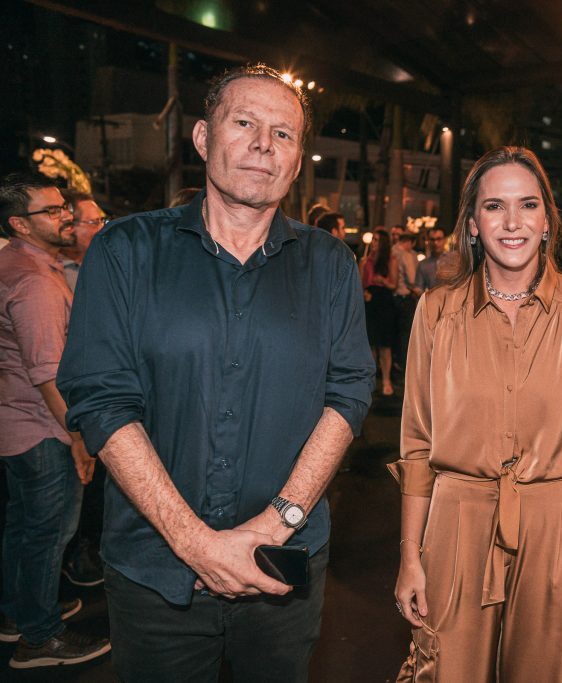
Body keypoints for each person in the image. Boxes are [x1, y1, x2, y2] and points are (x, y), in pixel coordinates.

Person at [56, 64, 376, 682]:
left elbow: (350, 390)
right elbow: (100, 398)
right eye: (245, 123)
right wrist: (196, 543)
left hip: (283, 566)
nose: (264, 143)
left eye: (283, 134)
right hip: (154, 573)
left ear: (297, 158)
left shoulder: (330, 263)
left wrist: (277, 520)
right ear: (203, 138)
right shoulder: (124, 251)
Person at [390, 146, 562, 682]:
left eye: (528, 205)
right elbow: (417, 447)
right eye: (495, 206)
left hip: (558, 520)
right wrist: (410, 556)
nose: (513, 222)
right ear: (473, 225)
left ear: (548, 221)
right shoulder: (436, 311)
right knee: (443, 671)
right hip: (457, 518)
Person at [0, 171, 109, 669]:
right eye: (53, 211)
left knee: (24, 530)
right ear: (19, 223)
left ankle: (17, 613)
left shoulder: (16, 264)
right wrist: (79, 438)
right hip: (40, 426)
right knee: (48, 535)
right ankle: (39, 638)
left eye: (64, 207)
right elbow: (48, 374)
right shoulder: (34, 282)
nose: (66, 215)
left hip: (16, 422)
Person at [58, 191, 109, 588]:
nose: (100, 228)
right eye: (92, 222)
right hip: (57, 404)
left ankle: (86, 546)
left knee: (94, 487)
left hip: (101, 390)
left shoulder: (105, 264)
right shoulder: (51, 274)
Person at [361, 228, 399, 396]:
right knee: (370, 344)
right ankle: (370, 381)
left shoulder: (391, 260)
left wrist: (382, 280)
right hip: (370, 301)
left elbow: (394, 284)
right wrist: (364, 293)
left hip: (384, 300)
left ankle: (386, 380)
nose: (374, 243)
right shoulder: (365, 261)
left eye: (377, 240)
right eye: (373, 240)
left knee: (384, 344)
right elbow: (360, 284)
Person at [59, 191, 106, 292]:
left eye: (102, 221)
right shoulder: (53, 271)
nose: (101, 229)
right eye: (94, 223)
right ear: (68, 226)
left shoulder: (102, 264)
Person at [393, 231, 420, 369]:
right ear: (410, 242)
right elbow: (411, 278)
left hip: (392, 297)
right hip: (405, 297)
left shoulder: (392, 251)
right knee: (405, 334)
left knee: (395, 333)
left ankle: (395, 362)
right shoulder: (406, 254)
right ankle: (404, 365)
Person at [414, 226, 447, 292]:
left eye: (439, 239)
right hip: (432, 300)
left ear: (444, 240)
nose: (435, 243)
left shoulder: (454, 260)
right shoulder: (423, 265)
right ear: (428, 241)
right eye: (432, 240)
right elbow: (419, 287)